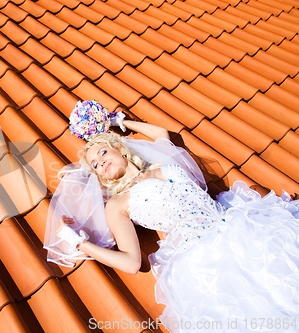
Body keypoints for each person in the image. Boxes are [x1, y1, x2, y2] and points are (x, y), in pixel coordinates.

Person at [44, 117, 299, 332]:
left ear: (120, 149)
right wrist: (79, 242)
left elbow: (161, 133)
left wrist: (118, 121)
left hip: (237, 226)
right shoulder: (117, 204)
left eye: (102, 152)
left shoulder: (159, 163)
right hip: (205, 259)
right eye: (95, 166)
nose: (101, 163)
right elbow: (131, 263)